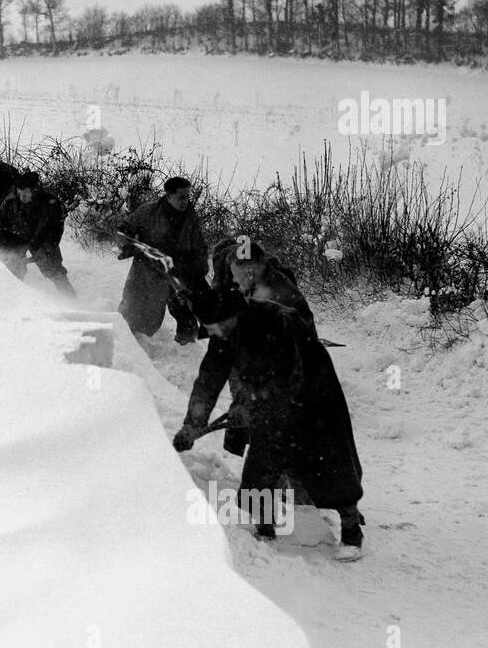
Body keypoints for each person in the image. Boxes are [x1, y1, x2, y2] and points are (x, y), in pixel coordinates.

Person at [172, 287, 365, 558]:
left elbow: (289, 375)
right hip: (267, 399)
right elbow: (209, 377)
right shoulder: (225, 332)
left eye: (212, 326)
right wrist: (192, 424)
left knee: (328, 464)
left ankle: (351, 530)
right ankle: (264, 527)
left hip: (314, 397)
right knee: (262, 461)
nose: (211, 333)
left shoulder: (278, 321)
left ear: (230, 317)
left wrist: (250, 403)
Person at [116, 175, 208, 344]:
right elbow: (125, 229)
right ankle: (126, 346)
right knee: (133, 310)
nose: (186, 201)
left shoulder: (190, 217)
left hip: (178, 272)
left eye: (188, 196)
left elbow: (200, 247)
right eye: (182, 197)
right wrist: (126, 241)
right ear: (168, 195)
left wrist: (199, 271)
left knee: (186, 316)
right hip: (146, 272)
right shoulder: (148, 211)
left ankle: (186, 351)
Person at [0, 171, 76, 297]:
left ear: (35, 191)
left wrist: (48, 248)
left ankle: (70, 300)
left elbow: (55, 230)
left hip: (41, 239)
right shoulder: (11, 201)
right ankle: (10, 298)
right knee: (11, 268)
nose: (22, 198)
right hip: (17, 236)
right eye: (20, 193)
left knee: (53, 270)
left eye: (26, 194)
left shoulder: (50, 204)